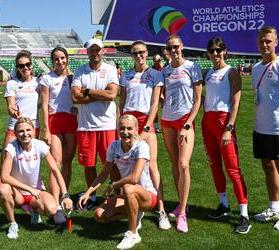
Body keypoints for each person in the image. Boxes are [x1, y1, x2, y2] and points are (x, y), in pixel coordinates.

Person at [78, 114, 158, 249]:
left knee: (128, 187)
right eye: (122, 128)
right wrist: (88, 192)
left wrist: (113, 185)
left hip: (147, 196)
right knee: (99, 216)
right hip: (126, 195)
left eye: (129, 129)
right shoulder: (114, 147)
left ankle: (133, 234)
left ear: (136, 129)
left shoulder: (142, 146)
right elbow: (103, 174)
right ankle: (135, 213)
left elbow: (134, 178)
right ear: (117, 129)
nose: (125, 132)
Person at [119, 40, 171, 230]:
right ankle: (136, 208)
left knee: (152, 167)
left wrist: (147, 128)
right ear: (131, 55)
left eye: (141, 52)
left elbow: (155, 104)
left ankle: (161, 209)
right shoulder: (126, 75)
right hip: (128, 123)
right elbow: (121, 103)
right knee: (130, 166)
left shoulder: (156, 74)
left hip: (145, 123)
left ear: (147, 53)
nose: (138, 56)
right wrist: (121, 125)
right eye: (135, 53)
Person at [202, 36, 250, 234]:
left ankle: (244, 214)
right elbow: (206, 96)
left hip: (224, 123)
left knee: (232, 168)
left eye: (218, 50)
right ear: (208, 53)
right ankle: (223, 204)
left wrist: (229, 128)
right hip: (207, 121)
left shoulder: (231, 72)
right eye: (212, 50)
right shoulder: (207, 73)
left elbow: (236, 102)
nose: (215, 54)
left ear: (225, 51)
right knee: (214, 164)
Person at [0, 117, 73, 240]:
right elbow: (4, 176)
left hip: (36, 192)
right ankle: (13, 224)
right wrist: (29, 189)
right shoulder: (11, 148)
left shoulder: (40, 145)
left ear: (33, 131)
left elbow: (55, 170)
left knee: (52, 209)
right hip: (18, 194)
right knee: (3, 190)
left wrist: (65, 196)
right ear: (15, 133)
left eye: (28, 130)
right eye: (21, 131)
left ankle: (34, 209)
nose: (25, 134)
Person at [252, 26, 279, 232]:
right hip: (261, 127)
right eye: (261, 40)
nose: (264, 44)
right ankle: (274, 208)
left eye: (268, 41)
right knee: (267, 167)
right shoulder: (256, 68)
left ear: (276, 42)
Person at [161, 35, 203, 232]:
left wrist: (188, 124)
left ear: (182, 46)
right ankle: (180, 205)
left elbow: (197, 100)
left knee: (184, 164)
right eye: (170, 47)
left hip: (184, 121)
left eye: (176, 46)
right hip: (167, 120)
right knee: (175, 163)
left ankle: (183, 213)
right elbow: (163, 93)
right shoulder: (165, 70)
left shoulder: (192, 67)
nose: (173, 49)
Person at [71, 38, 119, 208]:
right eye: (91, 50)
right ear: (87, 52)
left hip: (107, 125)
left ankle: (115, 194)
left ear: (103, 51)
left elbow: (112, 95)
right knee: (89, 164)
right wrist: (100, 95)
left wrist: (88, 91)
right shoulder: (80, 71)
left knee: (112, 163)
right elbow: (75, 97)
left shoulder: (111, 70)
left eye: (97, 50)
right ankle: (91, 198)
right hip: (86, 125)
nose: (95, 53)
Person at [40, 47, 77, 224]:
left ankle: (65, 197)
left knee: (68, 161)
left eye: (62, 58)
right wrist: (46, 129)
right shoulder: (47, 78)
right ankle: (55, 206)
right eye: (56, 59)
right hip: (55, 122)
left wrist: (77, 108)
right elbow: (44, 104)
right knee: (56, 162)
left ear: (67, 59)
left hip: (71, 121)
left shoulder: (73, 77)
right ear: (52, 61)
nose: (60, 61)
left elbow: (77, 99)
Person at [3, 50, 40, 157]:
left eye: (27, 64)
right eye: (21, 66)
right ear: (17, 68)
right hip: (15, 126)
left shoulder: (38, 82)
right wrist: (14, 113)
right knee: (6, 162)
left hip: (32, 127)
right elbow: (10, 106)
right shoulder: (12, 83)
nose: (25, 68)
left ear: (31, 65)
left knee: (30, 162)